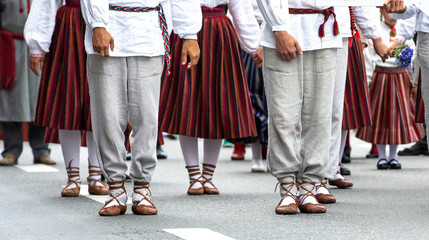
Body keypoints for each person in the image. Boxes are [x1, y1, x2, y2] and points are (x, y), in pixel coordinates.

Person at [81, 0, 202, 216]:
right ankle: (115, 188)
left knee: (146, 116)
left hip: (149, 32)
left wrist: (190, 33)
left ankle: (142, 187)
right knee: (107, 116)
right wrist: (98, 24)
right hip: (108, 25)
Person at [159, 0, 260, 195]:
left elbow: (241, 7)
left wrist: (254, 45)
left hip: (220, 33)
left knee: (218, 101)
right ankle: (195, 176)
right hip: (186, 31)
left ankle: (208, 176)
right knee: (186, 104)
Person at [257, 0, 342, 214]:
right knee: (283, 114)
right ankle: (287, 187)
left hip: (324, 32)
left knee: (320, 115)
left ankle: (309, 185)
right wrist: (279, 29)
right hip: (285, 28)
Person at [24, 0, 109, 197]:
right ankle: (73, 178)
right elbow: (46, 3)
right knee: (67, 101)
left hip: (106, 25)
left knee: (99, 103)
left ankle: (96, 176)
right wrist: (37, 45)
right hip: (69, 28)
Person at [316, 6, 389, 203]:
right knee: (312, 108)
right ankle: (305, 175)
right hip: (305, 29)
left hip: (341, 33)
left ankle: (326, 172)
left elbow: (360, 4)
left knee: (335, 108)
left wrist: (374, 37)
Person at [356, 8, 424, 170]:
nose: (392, 17)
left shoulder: (403, 29)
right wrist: (368, 80)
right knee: (381, 116)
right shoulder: (376, 30)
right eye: (388, 13)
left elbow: (413, 53)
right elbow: (370, 57)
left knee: (396, 117)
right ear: (382, 12)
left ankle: (393, 156)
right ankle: (381, 156)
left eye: (395, 14)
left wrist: (413, 81)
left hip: (400, 76)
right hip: (381, 76)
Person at [0, 0, 55, 166]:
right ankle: (11, 150)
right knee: (10, 99)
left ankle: (41, 149)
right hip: (9, 46)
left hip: (40, 47)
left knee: (39, 97)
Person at [230, 0, 268, 172]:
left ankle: (274, 154)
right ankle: (256, 155)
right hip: (249, 36)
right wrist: (251, 43)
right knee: (253, 94)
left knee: (275, 98)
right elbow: (237, 11)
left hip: (276, 34)